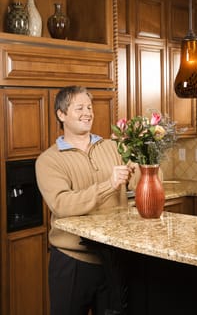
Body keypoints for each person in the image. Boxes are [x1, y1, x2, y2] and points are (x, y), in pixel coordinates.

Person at [35, 85, 138, 315]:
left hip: (115, 258)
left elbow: (143, 179)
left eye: (90, 107)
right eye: (79, 107)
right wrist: (109, 185)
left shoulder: (113, 147)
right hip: (72, 261)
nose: (87, 112)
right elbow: (62, 204)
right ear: (61, 115)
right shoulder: (48, 160)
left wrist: (147, 153)